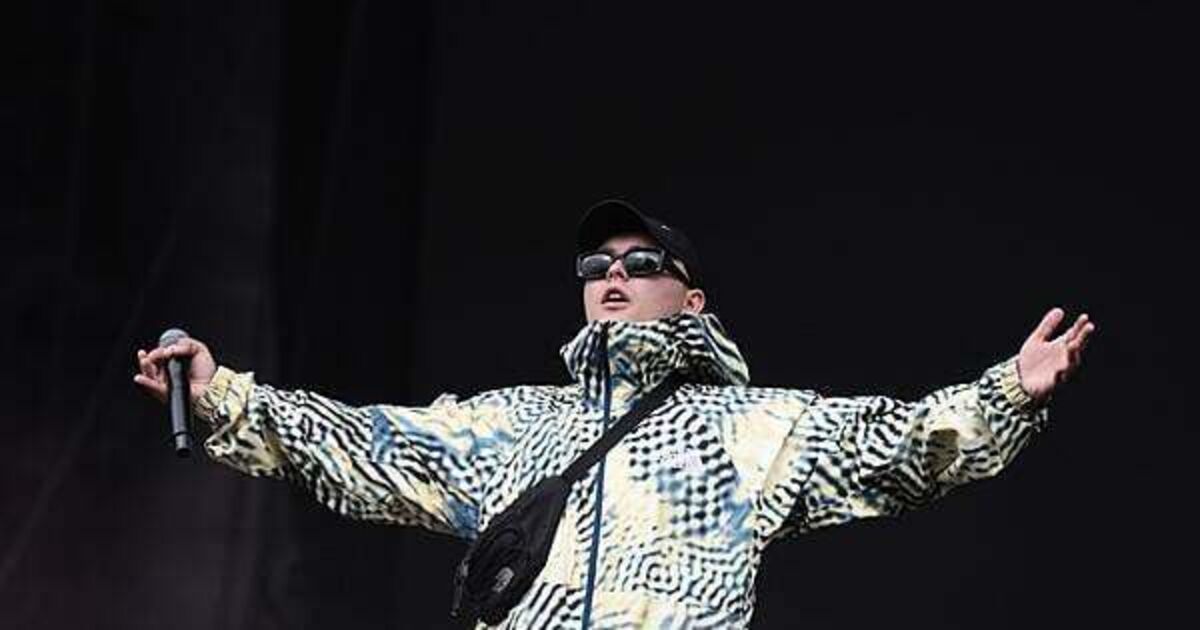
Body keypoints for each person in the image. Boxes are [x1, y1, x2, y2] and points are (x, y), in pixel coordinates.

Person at [134, 199, 1095, 629]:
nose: (614, 276)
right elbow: (364, 447)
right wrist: (222, 393)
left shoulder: (753, 429)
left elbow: (905, 447)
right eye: (597, 265)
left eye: (641, 263)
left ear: (692, 299)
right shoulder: (517, 426)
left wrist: (1009, 390)